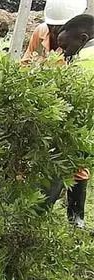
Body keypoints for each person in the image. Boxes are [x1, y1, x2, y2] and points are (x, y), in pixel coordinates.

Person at [47, 14, 94, 228]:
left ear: (82, 39)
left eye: (66, 47)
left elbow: (69, 102)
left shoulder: (85, 60)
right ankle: (77, 220)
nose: (64, 52)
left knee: (60, 166)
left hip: (83, 130)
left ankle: (33, 219)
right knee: (78, 167)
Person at [22, 0, 86, 63]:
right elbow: (25, 63)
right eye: (51, 26)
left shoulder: (82, 43)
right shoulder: (41, 32)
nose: (53, 30)